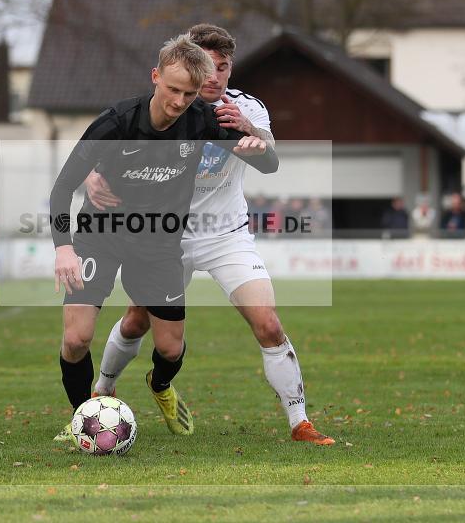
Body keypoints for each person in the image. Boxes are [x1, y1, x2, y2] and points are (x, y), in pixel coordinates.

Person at [85, 25, 334, 446]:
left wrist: (251, 131)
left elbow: (269, 156)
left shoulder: (246, 108)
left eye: (223, 66)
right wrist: (94, 174)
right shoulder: (165, 105)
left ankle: (300, 422)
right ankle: (100, 394)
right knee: (137, 320)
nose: (214, 76)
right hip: (165, 237)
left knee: (268, 322)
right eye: (205, 66)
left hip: (226, 235)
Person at [49, 33, 277, 443]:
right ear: (156, 77)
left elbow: (269, 165)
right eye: (173, 89)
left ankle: (160, 385)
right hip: (101, 236)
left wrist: (254, 140)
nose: (178, 101)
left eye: (189, 94)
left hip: (157, 243)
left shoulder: (202, 119)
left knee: (171, 350)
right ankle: (83, 419)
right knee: (77, 338)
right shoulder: (117, 121)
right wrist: (63, 248)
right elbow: (63, 187)